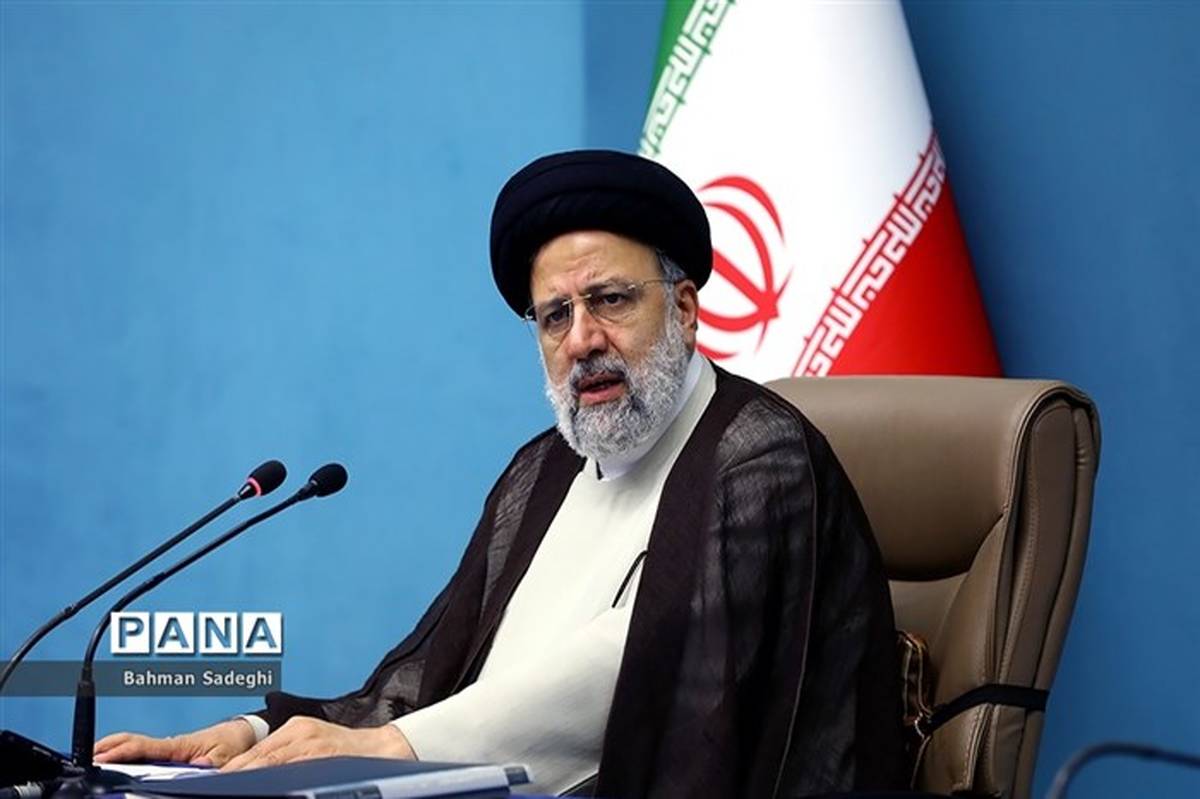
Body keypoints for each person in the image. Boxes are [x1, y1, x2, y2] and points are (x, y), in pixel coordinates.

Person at [95, 150, 905, 797]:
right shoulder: (542, 468)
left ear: (685, 308)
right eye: (555, 315)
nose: (582, 339)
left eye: (611, 299)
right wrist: (259, 732)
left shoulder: (759, 453)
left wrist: (395, 745)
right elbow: (432, 670)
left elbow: (655, 659)